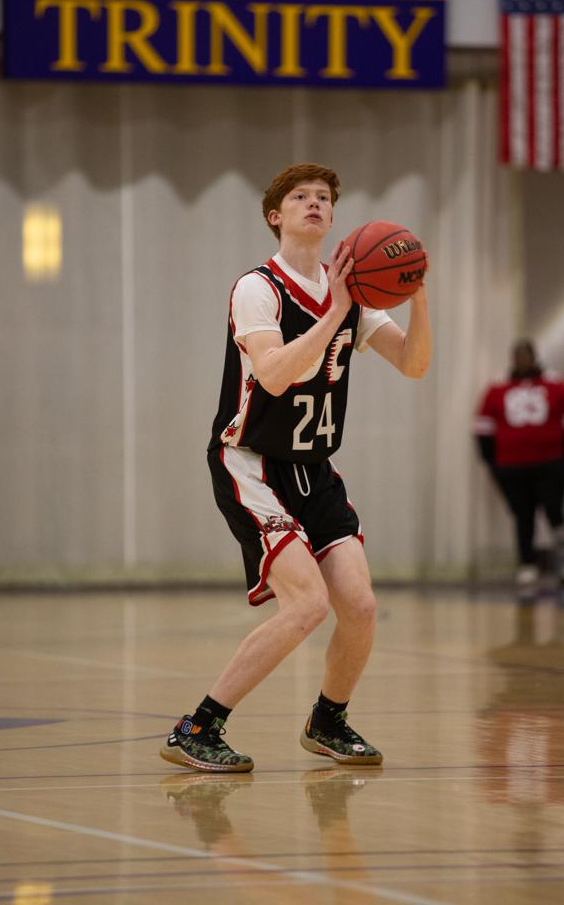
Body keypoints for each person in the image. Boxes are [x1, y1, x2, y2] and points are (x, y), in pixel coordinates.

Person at [160, 163, 432, 773]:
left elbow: (414, 365)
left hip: (314, 469)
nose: (315, 203)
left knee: (359, 606)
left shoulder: (357, 296)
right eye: (300, 196)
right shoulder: (257, 288)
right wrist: (337, 312)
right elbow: (277, 375)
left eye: (325, 198)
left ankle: (328, 721)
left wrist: (416, 295)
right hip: (250, 463)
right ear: (275, 215)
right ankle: (196, 727)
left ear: (334, 217)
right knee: (307, 605)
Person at [474, 340, 564, 591]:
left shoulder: (555, 383)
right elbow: (482, 428)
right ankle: (527, 563)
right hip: (512, 465)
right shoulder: (498, 386)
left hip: (550, 461)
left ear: (534, 357)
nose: (522, 360)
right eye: (517, 356)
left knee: (555, 510)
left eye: (525, 355)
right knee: (523, 514)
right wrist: (494, 464)